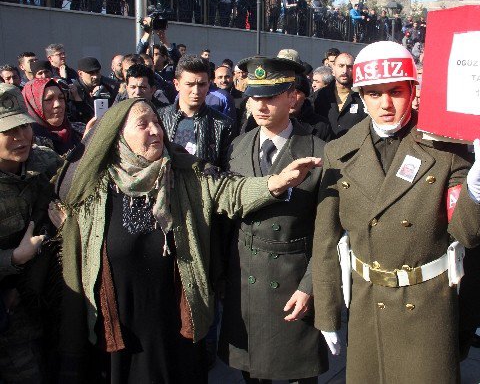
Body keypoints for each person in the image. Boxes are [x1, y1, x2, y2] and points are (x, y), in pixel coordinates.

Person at [55, 96, 320, 383]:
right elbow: (61, 192)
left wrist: (275, 183)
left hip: (176, 322)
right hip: (120, 329)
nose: (155, 130)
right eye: (143, 124)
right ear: (117, 136)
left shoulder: (185, 174)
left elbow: (230, 192)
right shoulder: (94, 190)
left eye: (157, 122)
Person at [311, 41, 480, 383]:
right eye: (374, 93)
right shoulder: (339, 152)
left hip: (426, 304)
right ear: (360, 94)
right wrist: (327, 314)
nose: (385, 104)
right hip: (367, 302)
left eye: (396, 91)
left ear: (413, 89)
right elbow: (326, 240)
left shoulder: (445, 148)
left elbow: (469, 233)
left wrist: (478, 188)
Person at [219, 56, 329, 384]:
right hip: (247, 281)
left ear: (291, 97)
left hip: (291, 281)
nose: (260, 106)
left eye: (270, 97)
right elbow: (228, 216)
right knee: (251, 374)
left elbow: (328, 231)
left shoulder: (318, 150)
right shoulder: (238, 146)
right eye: (254, 97)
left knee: (297, 374)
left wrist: (311, 287)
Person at [0, 84, 62, 384]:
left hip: (50, 295)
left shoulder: (44, 161)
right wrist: (13, 257)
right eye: (9, 131)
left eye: (24, 126)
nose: (21, 136)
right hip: (10, 313)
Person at [157, 55, 234, 166]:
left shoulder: (224, 125)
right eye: (189, 84)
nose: (196, 91)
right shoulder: (158, 119)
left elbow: (227, 172)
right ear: (177, 84)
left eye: (202, 84)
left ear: (209, 85)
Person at [312, 53, 367, 138]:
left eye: (349, 67)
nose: (345, 71)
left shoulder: (364, 96)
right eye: (341, 66)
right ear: (333, 70)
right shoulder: (319, 96)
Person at [22, 78, 82, 154]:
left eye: (61, 98)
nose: (58, 104)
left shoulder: (78, 131)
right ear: (33, 105)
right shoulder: (27, 144)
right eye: (49, 99)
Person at [69, 57, 118, 124]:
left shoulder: (107, 87)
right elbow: (79, 119)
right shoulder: (74, 90)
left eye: (97, 72)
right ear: (80, 74)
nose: (96, 76)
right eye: (91, 73)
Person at [291, 74, 332, 142]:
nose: (292, 97)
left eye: (297, 92)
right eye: (288, 92)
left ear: (305, 96)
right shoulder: (271, 122)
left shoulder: (322, 126)